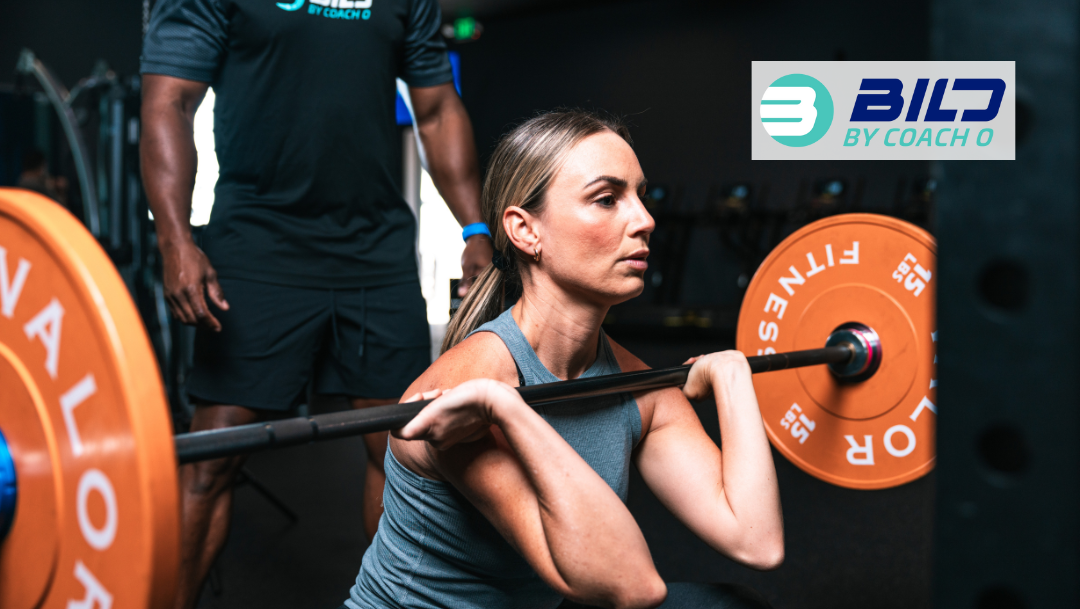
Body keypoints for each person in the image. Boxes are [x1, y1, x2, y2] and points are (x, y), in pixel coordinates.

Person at [342, 110, 783, 609]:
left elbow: (755, 540)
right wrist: (502, 407)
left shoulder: (637, 387)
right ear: (526, 231)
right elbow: (632, 586)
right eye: (607, 199)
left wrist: (733, 378)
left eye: (639, 195)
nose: (644, 220)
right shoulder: (468, 382)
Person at [139, 0, 492, 606]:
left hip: (374, 251)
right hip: (257, 246)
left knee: (405, 451)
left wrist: (475, 230)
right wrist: (175, 238)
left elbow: (435, 109)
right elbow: (170, 99)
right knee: (212, 460)